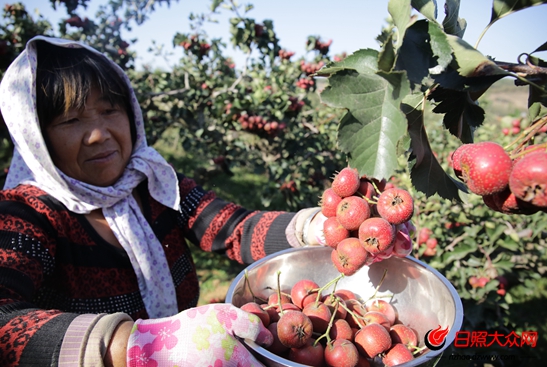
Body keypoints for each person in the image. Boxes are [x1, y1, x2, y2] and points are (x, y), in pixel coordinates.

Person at [0, 36, 326, 367]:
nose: (99, 133)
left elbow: (235, 229)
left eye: (110, 110)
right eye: (71, 120)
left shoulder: (155, 184)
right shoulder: (25, 216)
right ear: (35, 137)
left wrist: (315, 227)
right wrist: (135, 346)